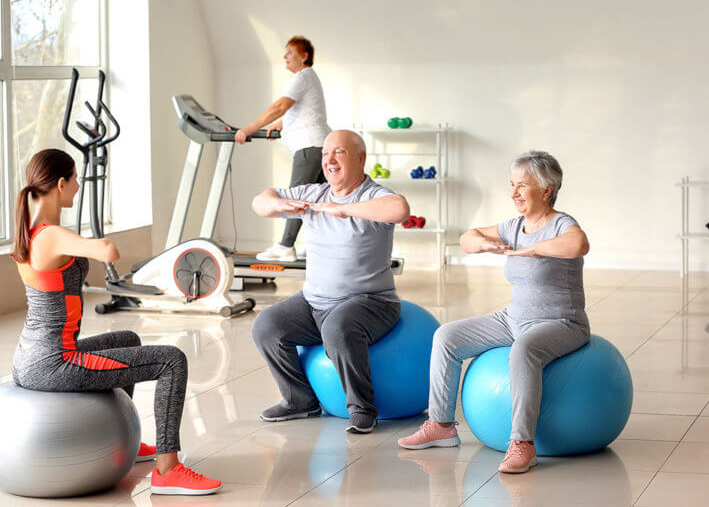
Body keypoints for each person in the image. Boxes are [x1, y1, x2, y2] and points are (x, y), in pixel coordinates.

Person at [10, 149, 222, 496]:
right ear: (60, 184)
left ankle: (126, 441)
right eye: (75, 180)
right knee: (172, 360)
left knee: (127, 338)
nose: (78, 187)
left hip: (30, 359)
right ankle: (168, 470)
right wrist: (99, 244)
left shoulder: (32, 231)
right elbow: (109, 250)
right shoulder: (49, 236)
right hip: (54, 363)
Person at [398, 151, 591, 474]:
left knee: (524, 349)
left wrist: (534, 249)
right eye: (512, 185)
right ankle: (441, 425)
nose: (513, 192)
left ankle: (522, 444)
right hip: (513, 318)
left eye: (522, 186)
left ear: (546, 190)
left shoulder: (561, 224)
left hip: (561, 322)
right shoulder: (514, 226)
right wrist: (486, 244)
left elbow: (578, 245)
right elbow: (466, 239)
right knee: (447, 336)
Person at [250, 130, 410, 434]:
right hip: (313, 302)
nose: (330, 160)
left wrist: (344, 209)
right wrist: (278, 204)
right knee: (266, 325)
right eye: (325, 154)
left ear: (360, 158)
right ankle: (300, 401)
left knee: (338, 327)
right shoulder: (314, 193)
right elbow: (260, 200)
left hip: (371, 303)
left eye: (339, 152)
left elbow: (400, 209)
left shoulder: (373, 194)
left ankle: (363, 409)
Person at [235, 35, 331, 262]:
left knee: (297, 197)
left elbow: (279, 107)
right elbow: (307, 109)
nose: (285, 56)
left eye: (290, 51)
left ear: (304, 56)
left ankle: (286, 246)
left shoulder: (302, 76)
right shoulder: (309, 78)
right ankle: (320, 245)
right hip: (318, 145)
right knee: (315, 200)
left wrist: (248, 129)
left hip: (310, 147)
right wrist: (282, 124)